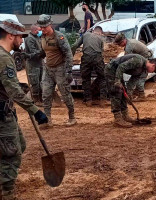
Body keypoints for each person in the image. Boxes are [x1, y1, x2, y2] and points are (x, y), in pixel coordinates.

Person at [0, 19, 48, 200]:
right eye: (20, 37)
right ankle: (7, 192)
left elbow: (7, 85)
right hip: (2, 115)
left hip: (5, 111)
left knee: (19, 144)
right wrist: (36, 111)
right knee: (12, 154)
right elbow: (14, 92)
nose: (22, 41)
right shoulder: (4, 58)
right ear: (11, 35)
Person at [37, 14, 77, 127]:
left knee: (65, 94)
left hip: (60, 69)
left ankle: (72, 117)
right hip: (48, 69)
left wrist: (69, 71)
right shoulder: (43, 37)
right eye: (41, 27)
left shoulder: (59, 37)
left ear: (51, 25)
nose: (43, 29)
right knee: (46, 94)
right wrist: (34, 55)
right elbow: (44, 52)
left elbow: (68, 54)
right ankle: (47, 119)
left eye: (45, 27)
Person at [104, 54, 156, 128]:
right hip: (111, 70)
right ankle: (117, 119)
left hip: (117, 72)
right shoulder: (138, 61)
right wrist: (117, 81)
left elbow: (132, 82)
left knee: (123, 93)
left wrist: (129, 93)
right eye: (153, 70)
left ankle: (125, 116)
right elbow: (121, 67)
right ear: (153, 65)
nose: (151, 72)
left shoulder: (143, 71)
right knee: (116, 92)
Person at [72, 26, 107, 106]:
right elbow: (101, 52)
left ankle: (88, 100)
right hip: (97, 58)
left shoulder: (86, 35)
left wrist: (71, 56)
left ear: (93, 31)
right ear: (100, 32)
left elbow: (75, 45)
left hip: (86, 58)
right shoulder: (101, 38)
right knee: (102, 78)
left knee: (86, 78)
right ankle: (103, 100)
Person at [114, 33, 153, 101]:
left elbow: (127, 60)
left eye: (119, 44)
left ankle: (141, 95)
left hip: (145, 59)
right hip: (142, 59)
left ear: (123, 41)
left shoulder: (129, 46)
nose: (119, 46)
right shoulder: (129, 42)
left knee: (139, 76)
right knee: (136, 76)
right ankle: (131, 93)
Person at [23, 24, 45, 106]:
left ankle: (41, 99)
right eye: (39, 30)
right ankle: (36, 100)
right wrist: (42, 52)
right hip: (32, 64)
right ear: (35, 30)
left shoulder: (37, 37)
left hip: (39, 63)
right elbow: (33, 52)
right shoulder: (30, 39)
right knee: (35, 83)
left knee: (41, 82)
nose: (40, 32)